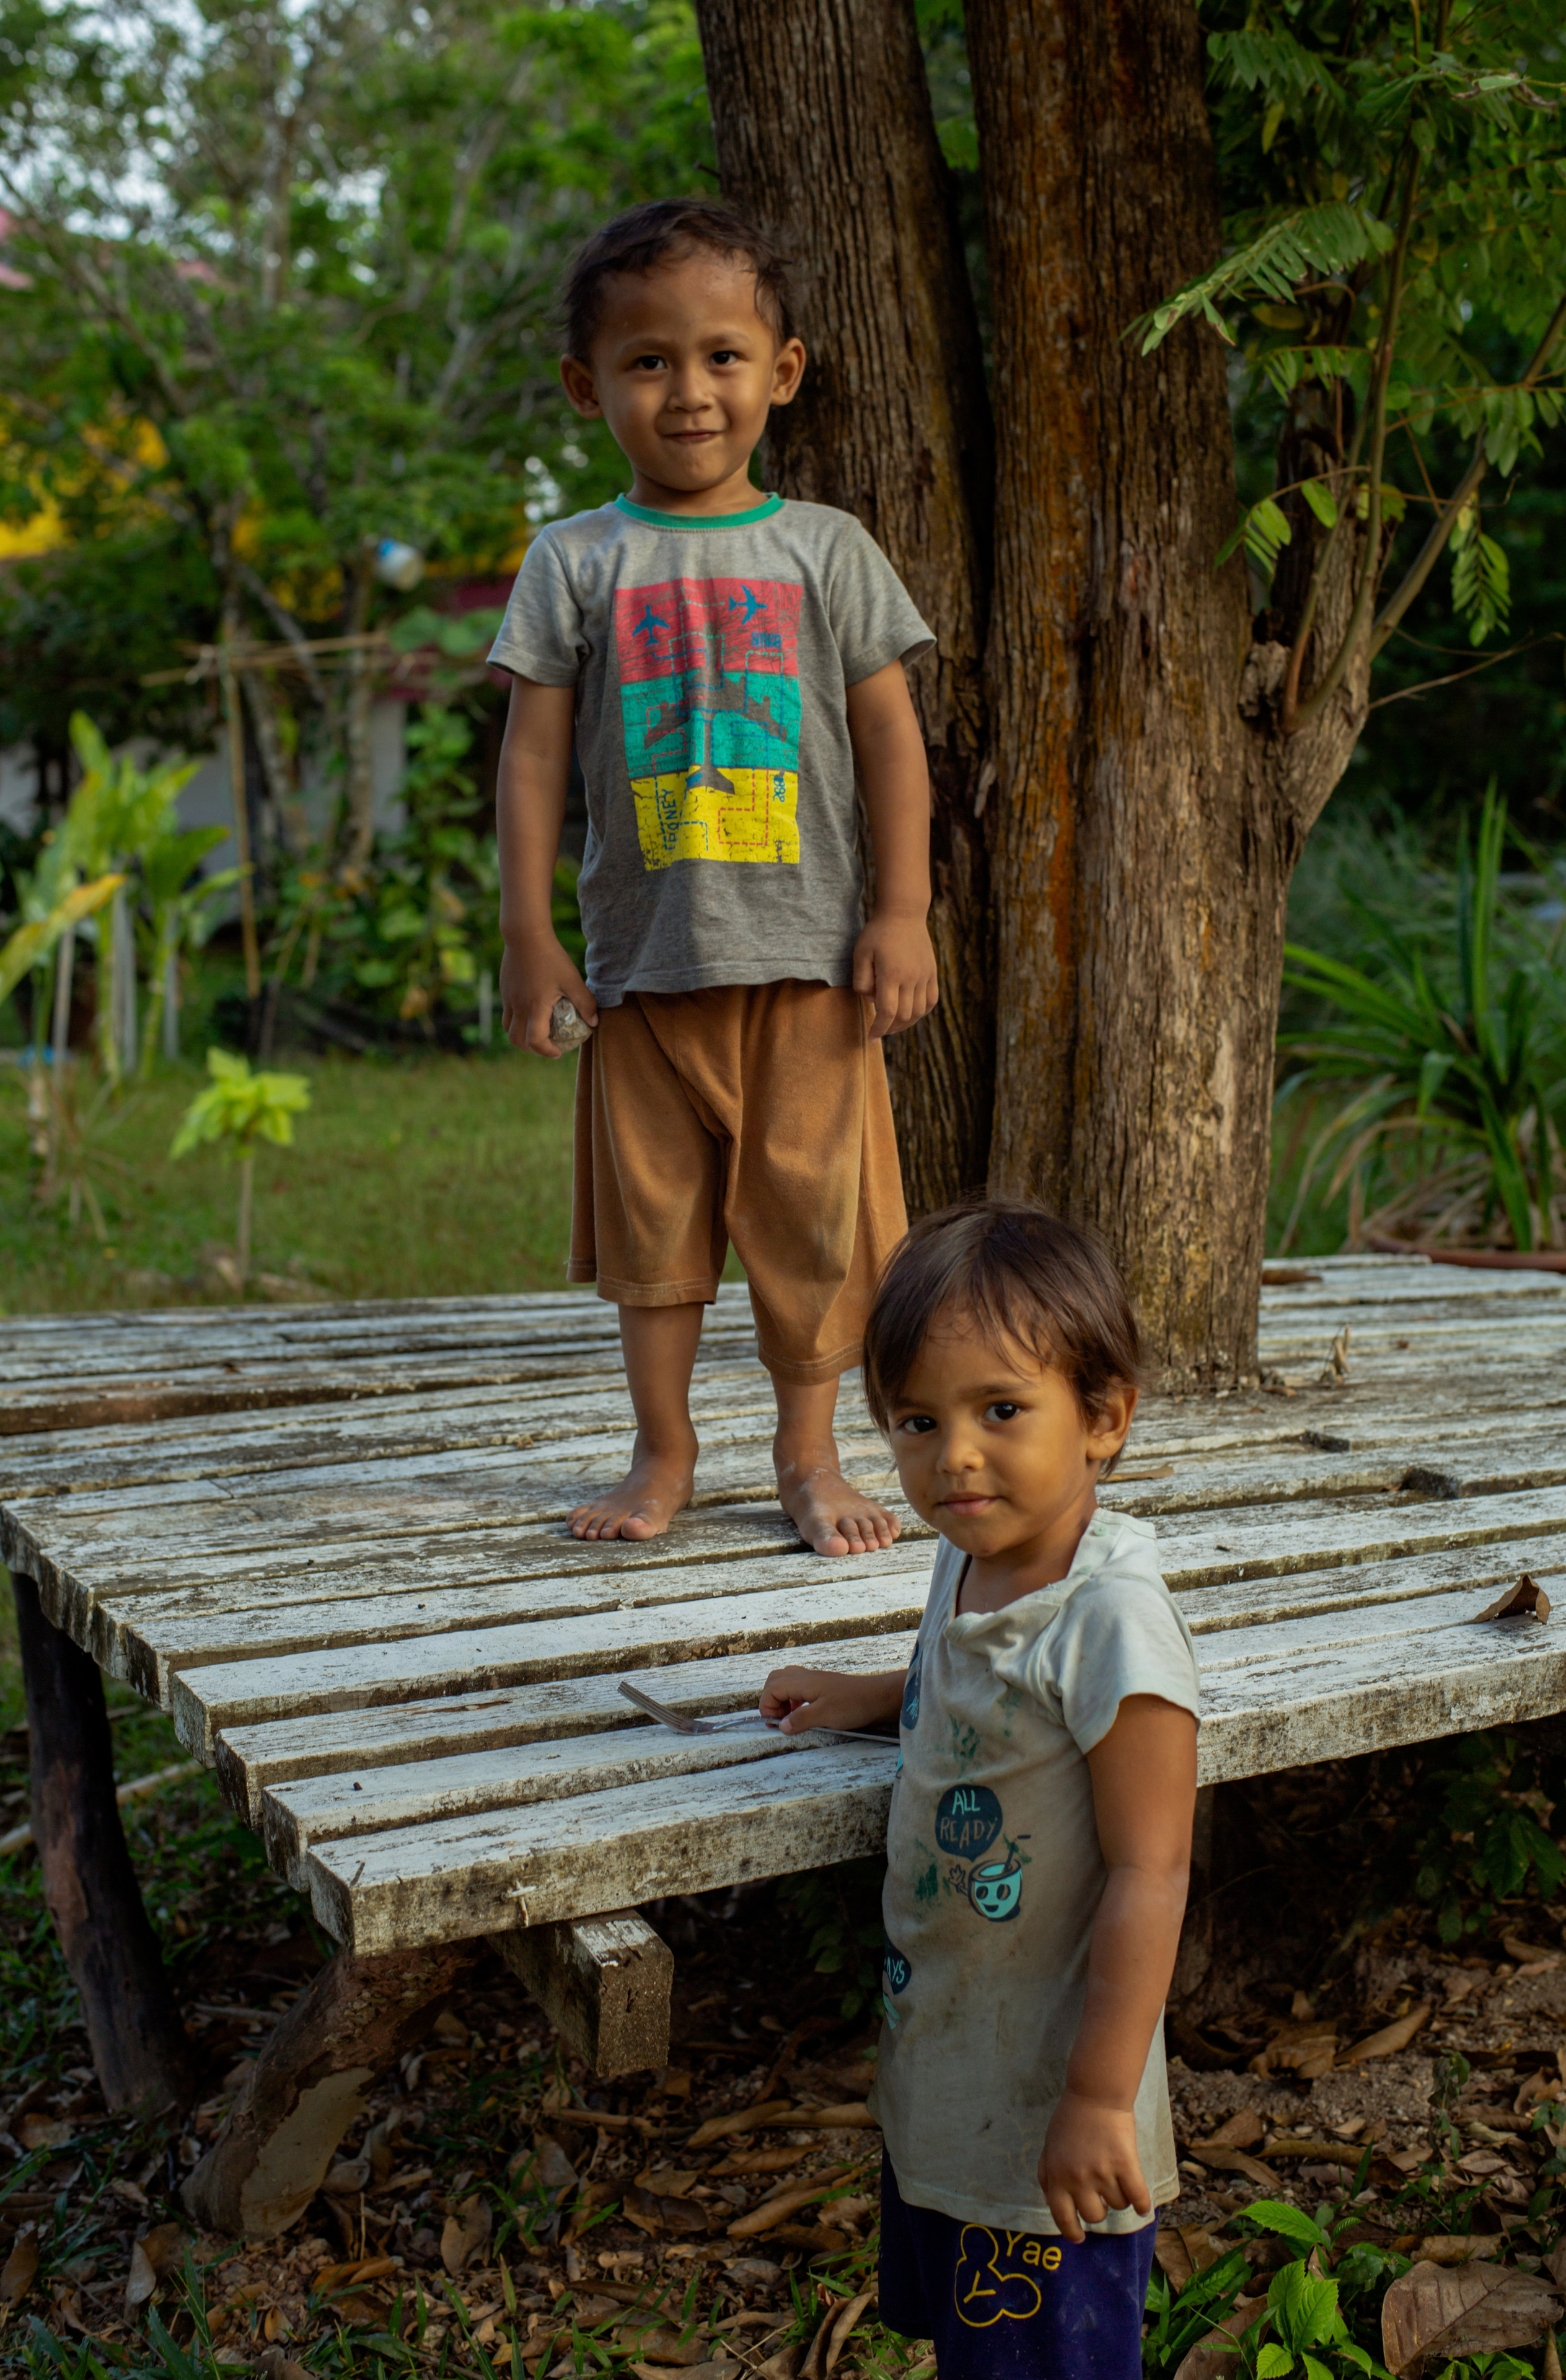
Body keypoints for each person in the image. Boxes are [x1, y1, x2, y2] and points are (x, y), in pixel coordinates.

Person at [491, 196, 938, 1558]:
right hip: (641, 969)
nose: (689, 391)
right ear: (589, 386)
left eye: (721, 357)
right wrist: (526, 932)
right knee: (655, 1228)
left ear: (781, 371)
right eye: (647, 361)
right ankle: (662, 1449)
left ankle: (807, 1459)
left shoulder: (826, 549)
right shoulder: (575, 559)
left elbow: (888, 739)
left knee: (810, 1225)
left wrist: (903, 910)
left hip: (807, 961)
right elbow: (528, 760)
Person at [761, 1202, 1201, 2380]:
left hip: (1058, 2108)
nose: (953, 1455)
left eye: (1001, 1410)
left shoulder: (1112, 1629)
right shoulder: (974, 1551)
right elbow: (965, 1682)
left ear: (1103, 1417)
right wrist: (870, 1693)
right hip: (959, 2064)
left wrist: (1102, 2099)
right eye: (917, 1421)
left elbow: (1153, 1868)